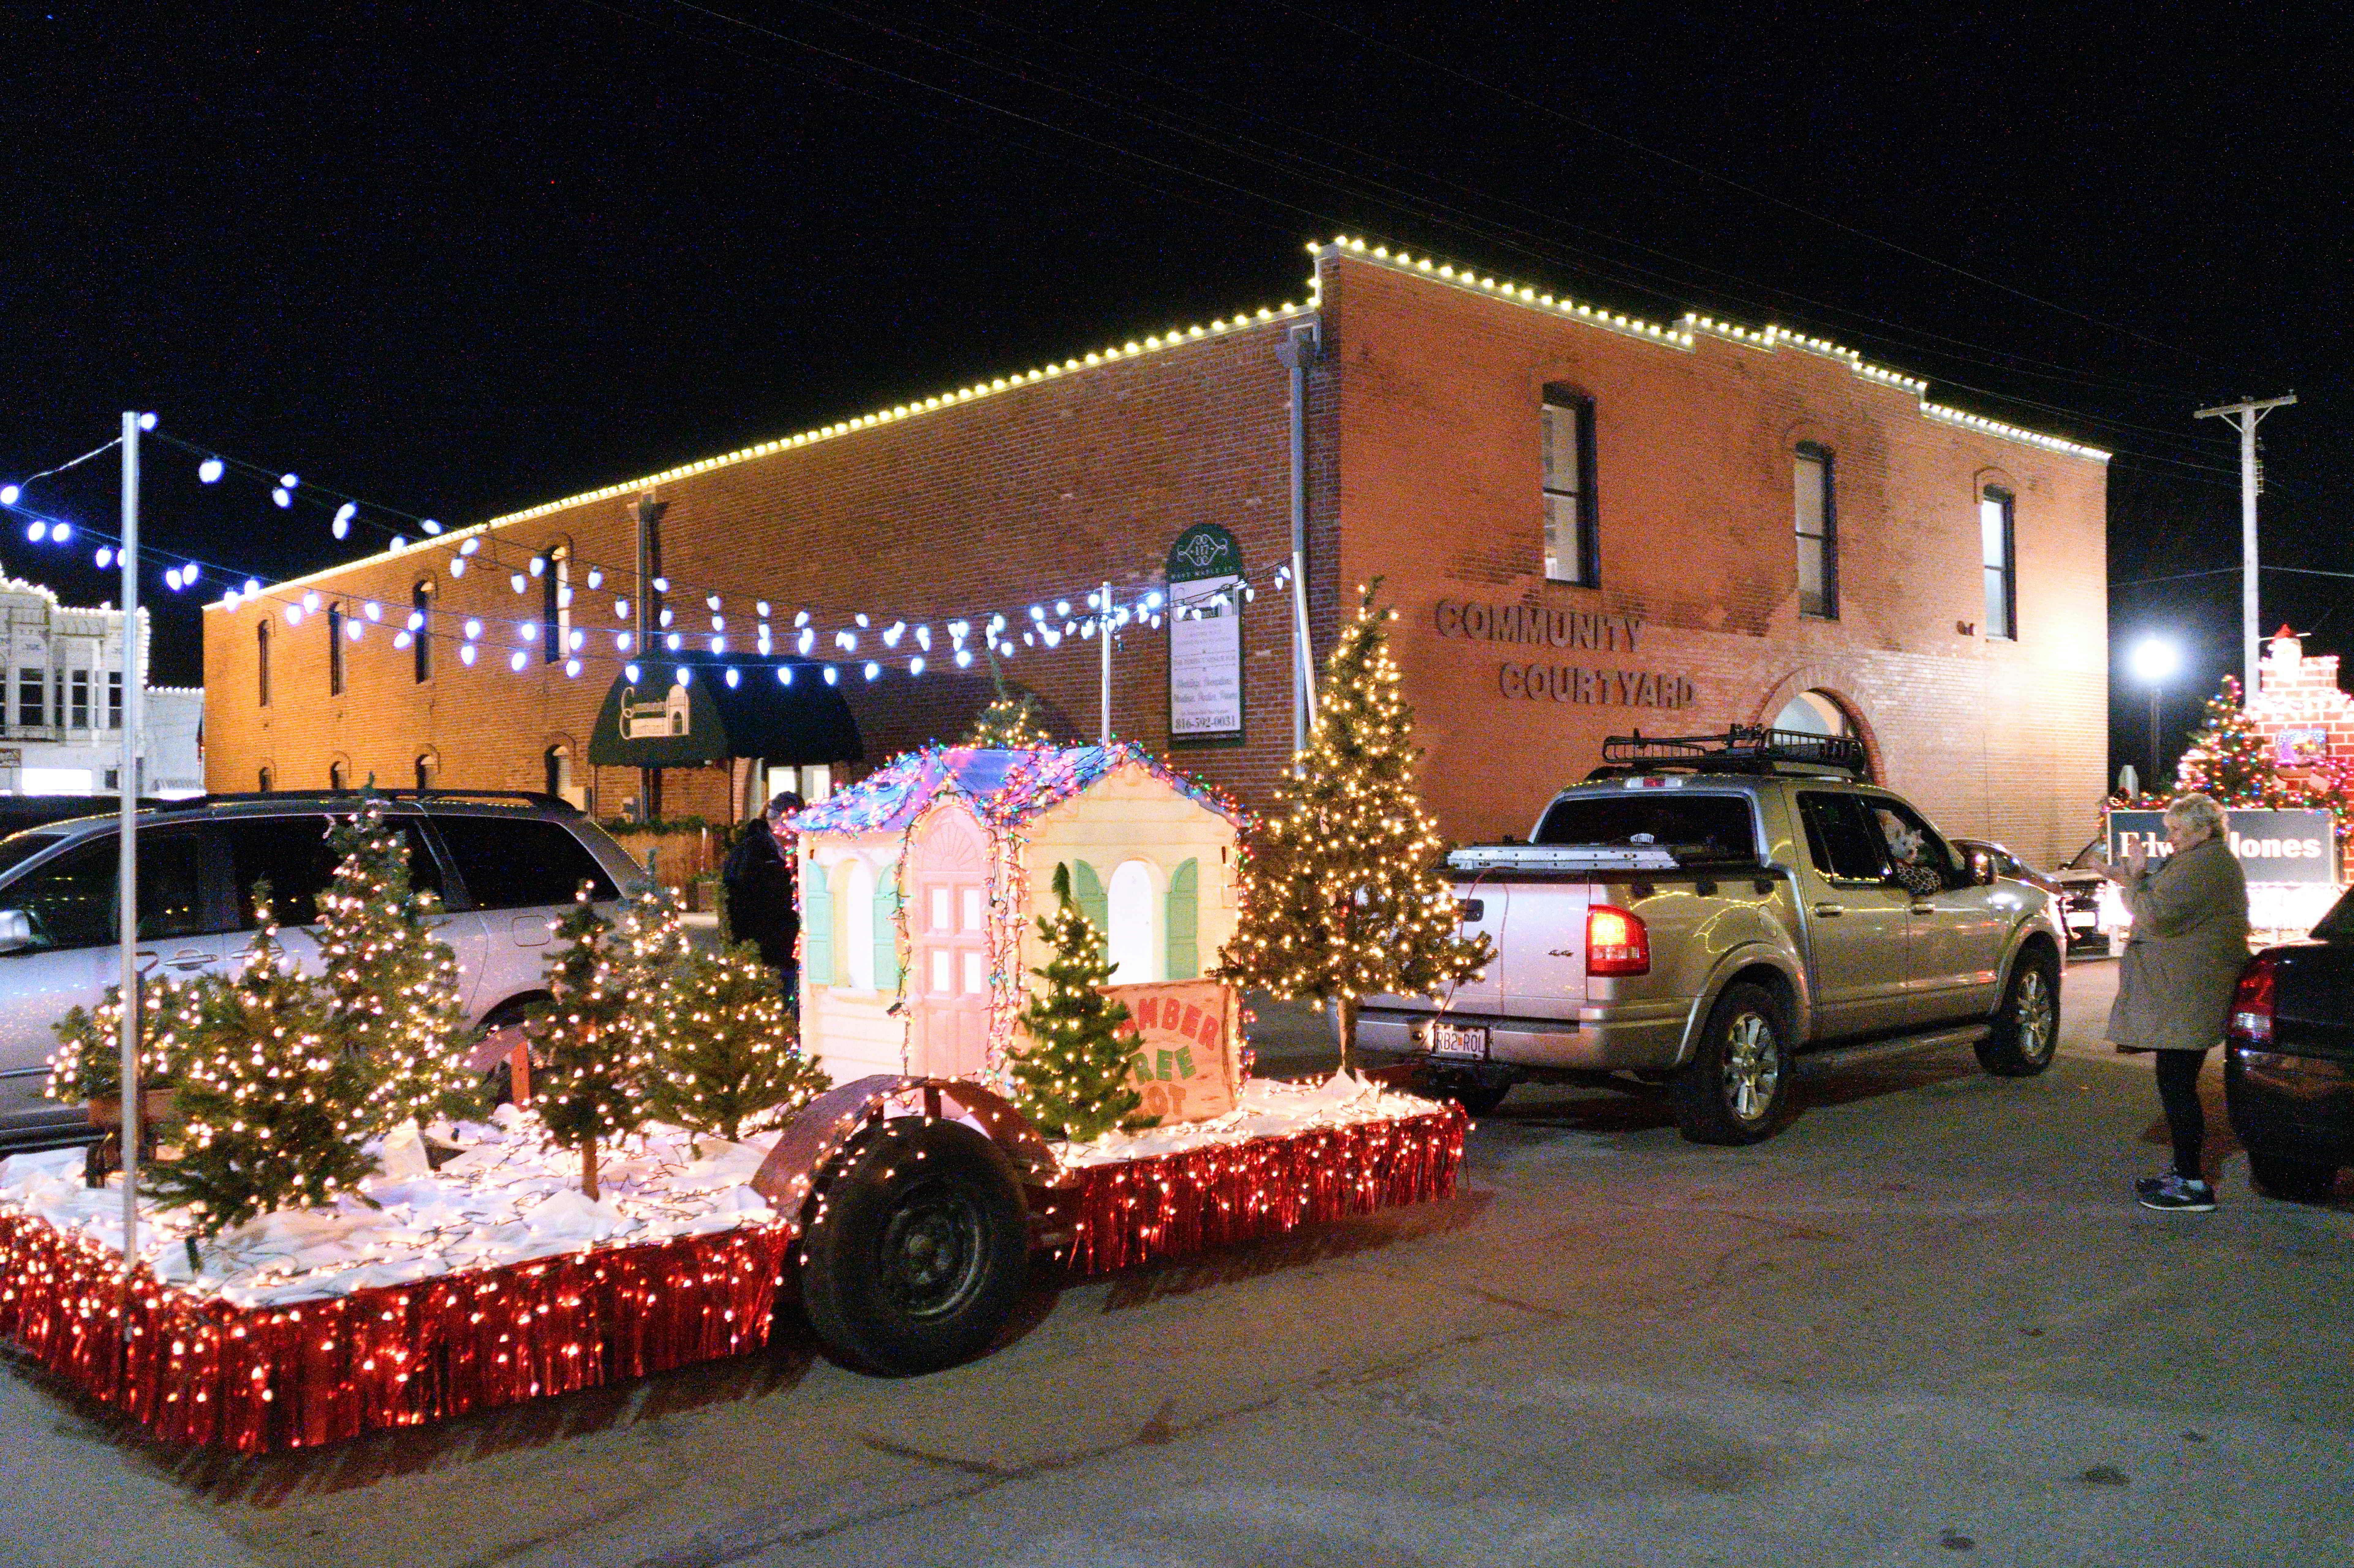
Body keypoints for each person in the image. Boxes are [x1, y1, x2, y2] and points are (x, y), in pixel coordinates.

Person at [2102, 792, 2249, 1212]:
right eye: (2169, 830)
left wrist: (2132, 881)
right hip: (2182, 995)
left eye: (2178, 830)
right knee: (2176, 1085)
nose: (2171, 838)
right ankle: (2184, 1174)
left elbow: (2156, 915)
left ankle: (2192, 1184)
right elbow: (2161, 902)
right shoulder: (2202, 861)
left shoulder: (2205, 864)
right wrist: (2130, 876)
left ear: (2205, 830)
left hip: (2187, 996)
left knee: (2178, 1088)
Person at [722, 791, 803, 1004]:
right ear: (773, 821)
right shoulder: (752, 852)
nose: (793, 830)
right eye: (789, 822)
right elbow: (738, 900)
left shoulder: (801, 850)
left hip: (793, 944)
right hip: (767, 944)